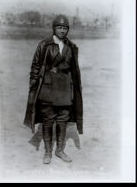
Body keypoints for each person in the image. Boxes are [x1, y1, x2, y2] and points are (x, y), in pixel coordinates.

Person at [24, 14, 83, 164]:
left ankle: (60, 151)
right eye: (59, 27)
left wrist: (75, 88)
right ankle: (48, 152)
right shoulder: (44, 44)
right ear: (54, 28)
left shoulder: (71, 46)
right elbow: (36, 66)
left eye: (65, 28)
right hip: (47, 88)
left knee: (63, 120)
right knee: (48, 120)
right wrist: (33, 83)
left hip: (64, 89)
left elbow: (75, 70)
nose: (62, 31)